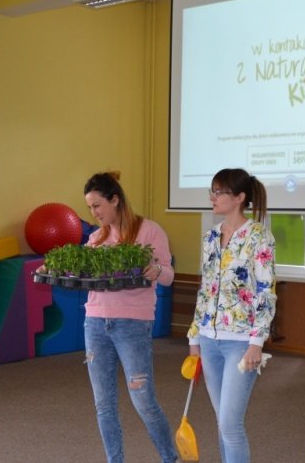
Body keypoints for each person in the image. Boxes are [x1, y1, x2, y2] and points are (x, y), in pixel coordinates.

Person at [82, 172, 178, 463]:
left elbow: (168, 276)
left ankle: (170, 458)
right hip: (95, 323)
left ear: (115, 200)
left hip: (132, 325)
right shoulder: (96, 238)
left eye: (97, 205)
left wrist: (156, 270)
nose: (93, 212)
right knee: (103, 405)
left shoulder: (150, 231)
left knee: (144, 402)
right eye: (89, 207)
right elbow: (82, 274)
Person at [187, 168, 277, 463]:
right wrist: (194, 337)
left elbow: (265, 292)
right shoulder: (210, 237)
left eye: (219, 192)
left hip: (240, 343)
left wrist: (256, 342)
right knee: (222, 423)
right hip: (208, 340)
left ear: (239, 197)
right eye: (211, 191)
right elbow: (205, 289)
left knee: (230, 424)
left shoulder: (258, 237)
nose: (212, 198)